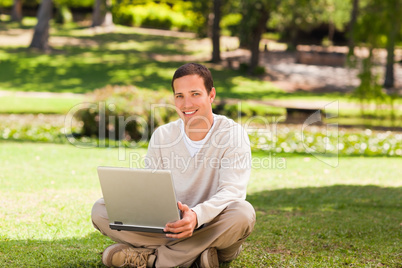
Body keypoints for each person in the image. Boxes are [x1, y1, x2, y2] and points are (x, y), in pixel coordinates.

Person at [91, 63, 256, 268]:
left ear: (211, 95)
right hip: (169, 226)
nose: (186, 104)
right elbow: (152, 189)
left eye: (195, 94)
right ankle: (198, 256)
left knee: (242, 213)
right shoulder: (163, 135)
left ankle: (152, 259)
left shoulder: (232, 134)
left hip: (212, 222)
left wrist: (195, 217)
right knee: (101, 209)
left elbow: (232, 191)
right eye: (179, 96)